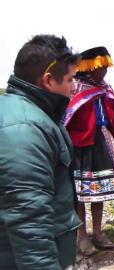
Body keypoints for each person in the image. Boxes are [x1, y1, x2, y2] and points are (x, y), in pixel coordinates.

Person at [0, 34, 81, 269]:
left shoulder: (32, 114)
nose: (74, 87)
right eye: (70, 79)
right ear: (48, 80)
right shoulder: (24, 128)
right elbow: (29, 222)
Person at [65, 46, 114, 255]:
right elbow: (66, 117)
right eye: (100, 67)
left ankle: (97, 232)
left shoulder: (104, 88)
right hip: (81, 144)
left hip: (102, 142)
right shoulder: (74, 87)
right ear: (87, 67)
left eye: (105, 67)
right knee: (81, 193)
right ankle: (82, 236)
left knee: (99, 191)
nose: (103, 72)